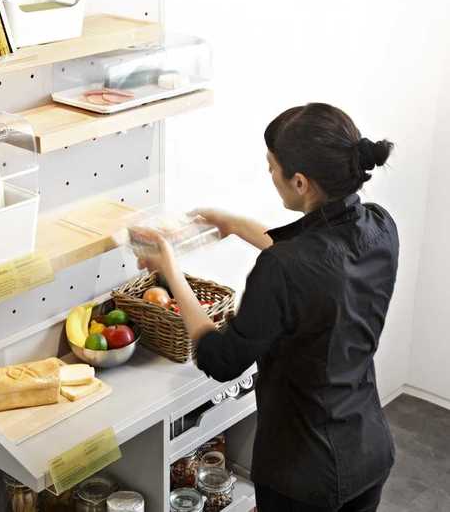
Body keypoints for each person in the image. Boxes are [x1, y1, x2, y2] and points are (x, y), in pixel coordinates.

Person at [137, 103, 398, 512]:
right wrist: (236, 224)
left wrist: (171, 272)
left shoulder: (281, 268)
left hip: (302, 473)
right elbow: (318, 264)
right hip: (368, 450)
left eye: (272, 167)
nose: (269, 174)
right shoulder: (381, 226)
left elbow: (220, 359)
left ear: (299, 182)